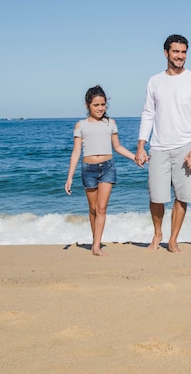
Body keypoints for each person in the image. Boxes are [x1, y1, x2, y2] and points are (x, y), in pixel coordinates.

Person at [135, 34, 191, 253]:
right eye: (176, 52)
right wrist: (141, 145)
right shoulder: (154, 81)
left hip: (186, 146)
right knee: (156, 196)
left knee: (182, 196)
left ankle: (173, 239)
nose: (180, 56)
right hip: (158, 146)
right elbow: (148, 113)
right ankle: (158, 233)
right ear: (166, 53)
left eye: (183, 52)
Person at [65, 85, 136, 256]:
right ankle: (95, 240)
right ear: (87, 105)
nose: (100, 108)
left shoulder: (110, 123)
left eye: (103, 104)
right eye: (96, 105)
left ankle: (96, 246)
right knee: (93, 209)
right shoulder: (80, 125)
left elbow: (117, 147)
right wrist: (69, 178)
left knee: (102, 208)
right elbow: (76, 152)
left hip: (107, 168)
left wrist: (135, 157)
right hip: (88, 169)